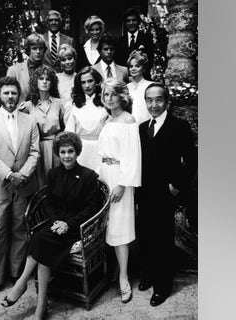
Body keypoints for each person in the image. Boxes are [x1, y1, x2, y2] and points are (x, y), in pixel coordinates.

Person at [0, 132, 102, 320]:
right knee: (43, 241)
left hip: (77, 228)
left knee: (40, 240)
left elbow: (91, 209)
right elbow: (49, 203)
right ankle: (40, 305)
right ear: (57, 153)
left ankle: (23, 286)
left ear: (77, 152)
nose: (66, 156)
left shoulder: (88, 176)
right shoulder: (53, 174)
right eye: (62, 152)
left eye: (70, 151)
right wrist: (57, 221)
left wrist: (68, 224)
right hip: (56, 226)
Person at [136, 83, 196, 307]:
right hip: (144, 191)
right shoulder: (142, 128)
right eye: (149, 100)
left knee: (162, 237)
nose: (154, 104)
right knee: (147, 234)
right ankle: (150, 273)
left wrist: (176, 186)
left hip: (165, 192)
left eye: (158, 99)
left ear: (167, 101)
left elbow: (190, 161)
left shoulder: (179, 126)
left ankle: (162, 285)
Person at [0, 76, 41, 304]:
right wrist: (9, 175)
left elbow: (35, 153)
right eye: (6, 93)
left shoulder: (30, 121)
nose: (10, 97)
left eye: (14, 93)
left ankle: (16, 273)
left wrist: (22, 176)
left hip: (23, 184)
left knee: (20, 229)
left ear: (20, 96)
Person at [96, 78, 141, 303]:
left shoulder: (128, 120)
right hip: (105, 174)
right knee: (106, 226)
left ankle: (124, 277)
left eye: (113, 94)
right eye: (105, 95)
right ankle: (111, 272)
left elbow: (132, 156)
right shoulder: (107, 119)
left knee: (120, 230)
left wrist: (123, 184)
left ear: (122, 96)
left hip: (120, 178)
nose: (109, 99)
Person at [19, 65, 65, 188]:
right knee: (40, 184)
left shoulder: (59, 103)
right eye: (41, 78)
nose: (44, 81)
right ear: (35, 81)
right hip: (36, 148)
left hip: (56, 147)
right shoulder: (28, 106)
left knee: (58, 182)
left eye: (48, 79)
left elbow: (65, 127)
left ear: (52, 82)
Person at [64, 66, 107, 170]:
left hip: (101, 150)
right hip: (81, 153)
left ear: (96, 82)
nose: (87, 85)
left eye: (90, 81)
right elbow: (69, 135)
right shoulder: (72, 106)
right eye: (83, 82)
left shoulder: (105, 104)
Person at [6, 33, 49, 103]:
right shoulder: (14, 71)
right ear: (28, 50)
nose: (38, 52)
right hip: (20, 111)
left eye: (41, 48)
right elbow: (8, 97)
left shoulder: (49, 71)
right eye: (34, 48)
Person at [126, 50, 154, 124]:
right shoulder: (125, 87)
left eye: (137, 66)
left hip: (145, 126)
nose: (133, 69)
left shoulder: (150, 86)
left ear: (143, 68)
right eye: (131, 66)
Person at [55, 44, 77, 122]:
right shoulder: (56, 78)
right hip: (59, 118)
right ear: (60, 63)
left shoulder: (79, 78)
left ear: (74, 59)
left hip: (76, 117)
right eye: (63, 60)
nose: (67, 62)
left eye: (70, 58)